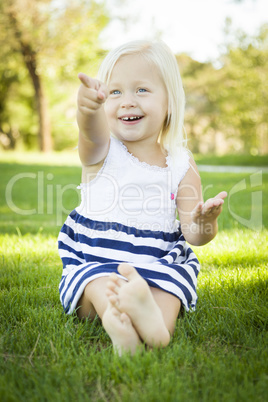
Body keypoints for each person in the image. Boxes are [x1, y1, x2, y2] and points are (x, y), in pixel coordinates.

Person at [58, 40, 227, 355]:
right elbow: (91, 131)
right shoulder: (102, 149)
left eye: (142, 90)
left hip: (156, 263)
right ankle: (118, 323)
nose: (127, 102)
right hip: (98, 261)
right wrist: (88, 109)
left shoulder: (181, 163)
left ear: (170, 103)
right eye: (115, 92)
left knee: (168, 292)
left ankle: (155, 327)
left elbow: (193, 234)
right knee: (95, 289)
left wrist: (205, 223)